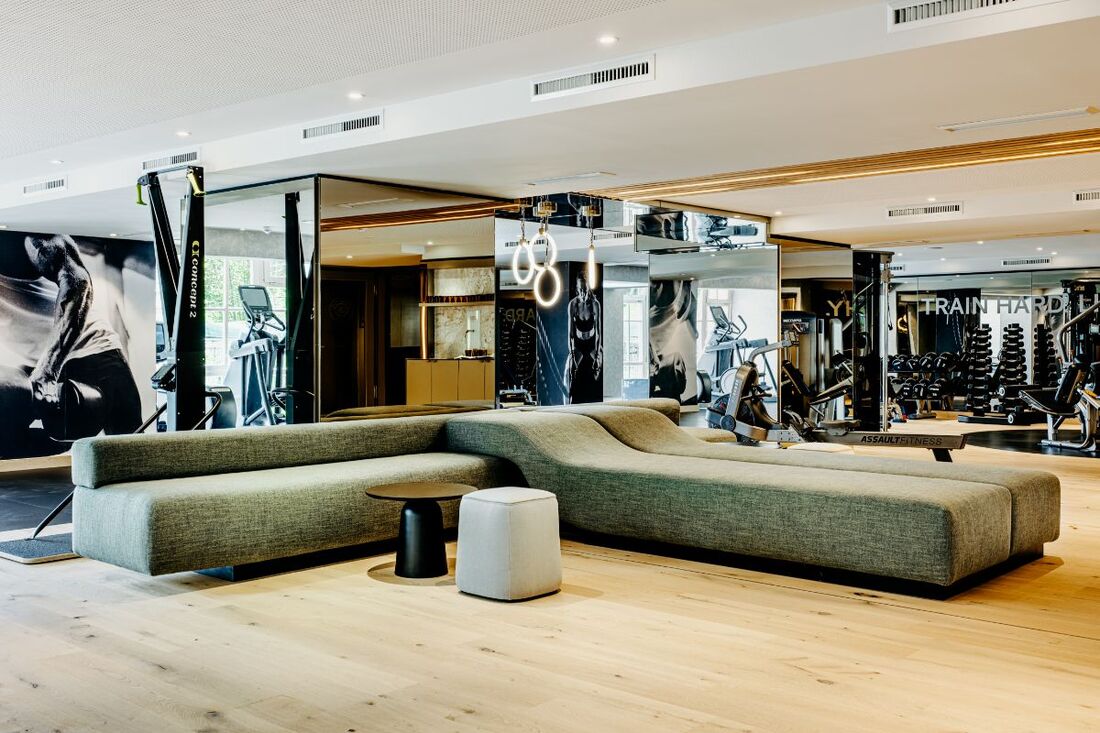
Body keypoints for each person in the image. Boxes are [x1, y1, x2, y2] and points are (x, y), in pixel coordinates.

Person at [0, 233, 141, 458]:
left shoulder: (28, 238)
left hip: (93, 351)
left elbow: (77, 285)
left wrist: (48, 370)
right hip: (34, 364)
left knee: (130, 453)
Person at [563, 272, 602, 403]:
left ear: (588, 288)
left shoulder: (595, 304)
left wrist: (597, 356)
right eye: (580, 290)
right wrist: (572, 355)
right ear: (577, 289)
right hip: (578, 344)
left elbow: (598, 332)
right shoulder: (573, 304)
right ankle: (568, 402)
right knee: (569, 370)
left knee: (599, 368)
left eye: (584, 290)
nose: (582, 293)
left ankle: (598, 401)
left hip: (592, 344)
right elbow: (570, 334)